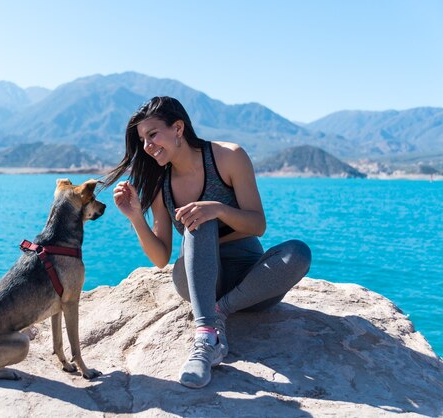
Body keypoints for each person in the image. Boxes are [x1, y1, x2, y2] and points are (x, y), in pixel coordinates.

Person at [103, 96, 311, 389]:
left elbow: (258, 225)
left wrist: (218, 209)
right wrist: (136, 217)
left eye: (152, 135)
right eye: (142, 140)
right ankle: (206, 336)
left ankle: (219, 312)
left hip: (251, 285)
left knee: (299, 252)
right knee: (198, 224)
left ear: (178, 128)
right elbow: (161, 257)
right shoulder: (161, 184)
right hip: (199, 283)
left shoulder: (228, 157)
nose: (147, 146)